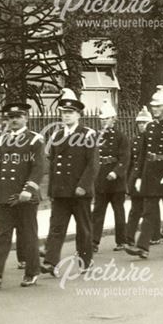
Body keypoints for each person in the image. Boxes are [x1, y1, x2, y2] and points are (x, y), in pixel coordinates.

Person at [0, 102, 46, 289]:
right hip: (5, 195)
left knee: (28, 235)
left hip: (25, 196)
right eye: (11, 118)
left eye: (18, 117)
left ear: (26, 118)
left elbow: (39, 168)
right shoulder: (1, 140)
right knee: (1, 235)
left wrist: (28, 189)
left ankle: (32, 272)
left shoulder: (34, 140)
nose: (14, 121)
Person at [42, 88, 99, 274]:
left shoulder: (88, 134)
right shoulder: (57, 135)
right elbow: (51, 165)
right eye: (64, 113)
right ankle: (51, 262)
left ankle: (85, 260)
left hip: (79, 191)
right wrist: (51, 190)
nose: (66, 116)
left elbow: (93, 164)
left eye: (70, 113)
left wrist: (83, 185)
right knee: (56, 227)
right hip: (61, 191)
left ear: (78, 115)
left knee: (83, 228)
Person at [125, 85, 163, 258]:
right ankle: (143, 247)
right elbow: (142, 156)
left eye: (158, 106)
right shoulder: (149, 128)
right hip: (150, 173)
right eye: (153, 106)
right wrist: (137, 176)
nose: (155, 109)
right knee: (149, 212)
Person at [91, 100, 130, 253]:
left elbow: (125, 158)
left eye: (106, 118)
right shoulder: (95, 136)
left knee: (118, 211)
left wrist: (116, 172)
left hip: (116, 180)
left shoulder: (121, 137)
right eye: (101, 119)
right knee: (98, 211)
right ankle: (94, 241)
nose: (103, 121)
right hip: (100, 178)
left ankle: (121, 240)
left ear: (113, 119)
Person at [124, 106, 153, 249]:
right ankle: (129, 237)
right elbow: (130, 162)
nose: (142, 126)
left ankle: (153, 236)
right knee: (135, 209)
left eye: (144, 123)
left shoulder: (153, 140)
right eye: (140, 123)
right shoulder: (134, 141)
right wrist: (129, 181)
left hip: (148, 177)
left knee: (149, 209)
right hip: (136, 178)